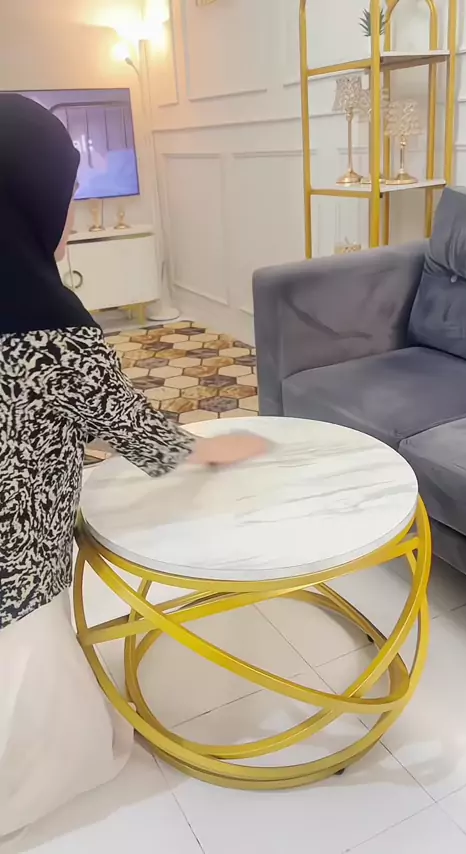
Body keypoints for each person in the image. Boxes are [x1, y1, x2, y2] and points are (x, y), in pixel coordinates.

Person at [0, 94, 266, 838]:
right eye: (63, 198)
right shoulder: (50, 332)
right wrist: (210, 447)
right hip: (15, 573)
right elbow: (135, 433)